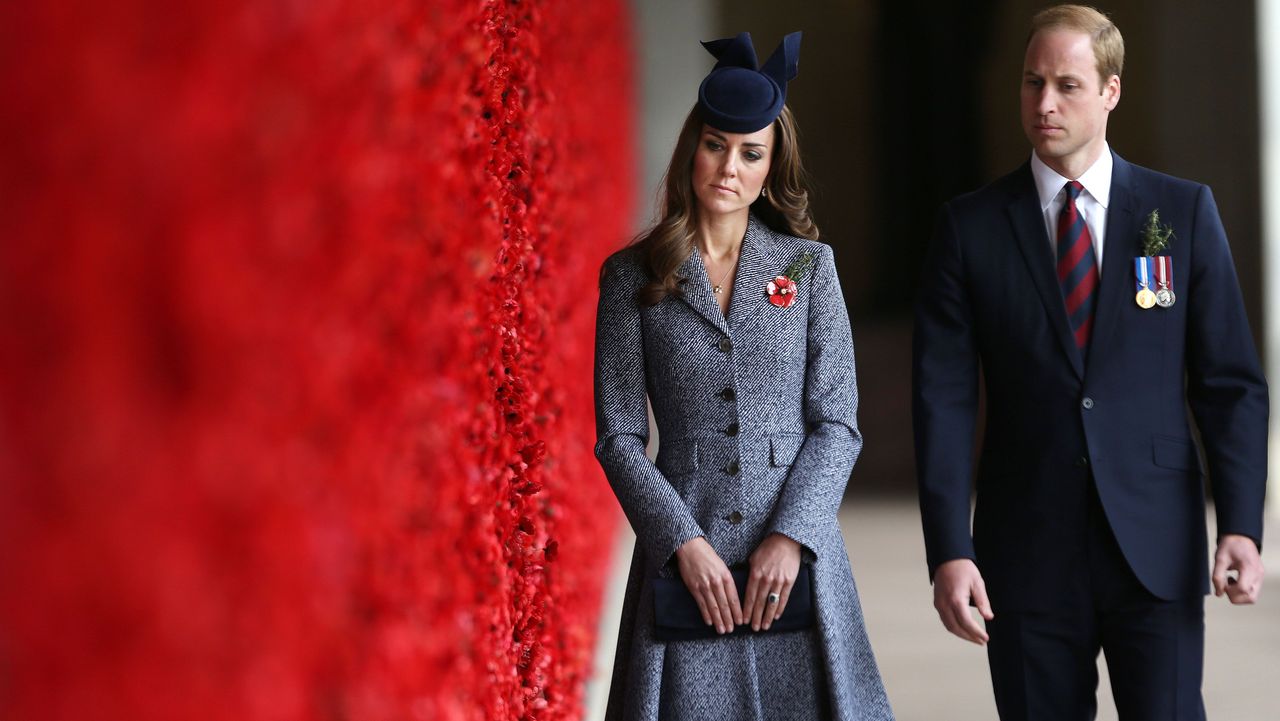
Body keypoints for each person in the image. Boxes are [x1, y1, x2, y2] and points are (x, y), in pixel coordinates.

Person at [913, 5, 1267, 720]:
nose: (1044, 103)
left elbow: (1229, 383)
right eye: (1032, 82)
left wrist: (1241, 523)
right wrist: (950, 549)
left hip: (1155, 548)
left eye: (1067, 85)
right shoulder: (971, 228)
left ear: (1111, 91)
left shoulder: (1184, 212)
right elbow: (942, 401)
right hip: (1025, 553)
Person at [594, 31, 894, 721]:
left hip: (795, 551)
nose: (729, 166)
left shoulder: (808, 267)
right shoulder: (629, 276)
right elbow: (617, 434)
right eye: (715, 144)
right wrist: (680, 541)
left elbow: (837, 422)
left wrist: (792, 535)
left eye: (750, 153)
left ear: (770, 168)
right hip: (685, 549)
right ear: (691, 149)